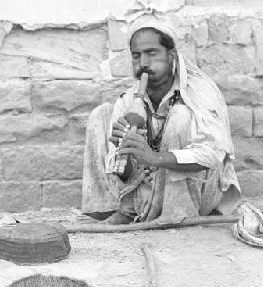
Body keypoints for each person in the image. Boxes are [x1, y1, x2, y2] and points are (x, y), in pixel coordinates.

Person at [82, 15, 241, 224]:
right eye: (136, 56)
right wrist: (124, 152)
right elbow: (126, 173)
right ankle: (118, 209)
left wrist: (154, 157)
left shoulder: (199, 92)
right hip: (148, 189)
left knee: (180, 116)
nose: (143, 63)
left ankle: (177, 215)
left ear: (171, 56)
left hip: (198, 193)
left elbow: (212, 155)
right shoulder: (129, 100)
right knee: (101, 114)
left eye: (151, 53)